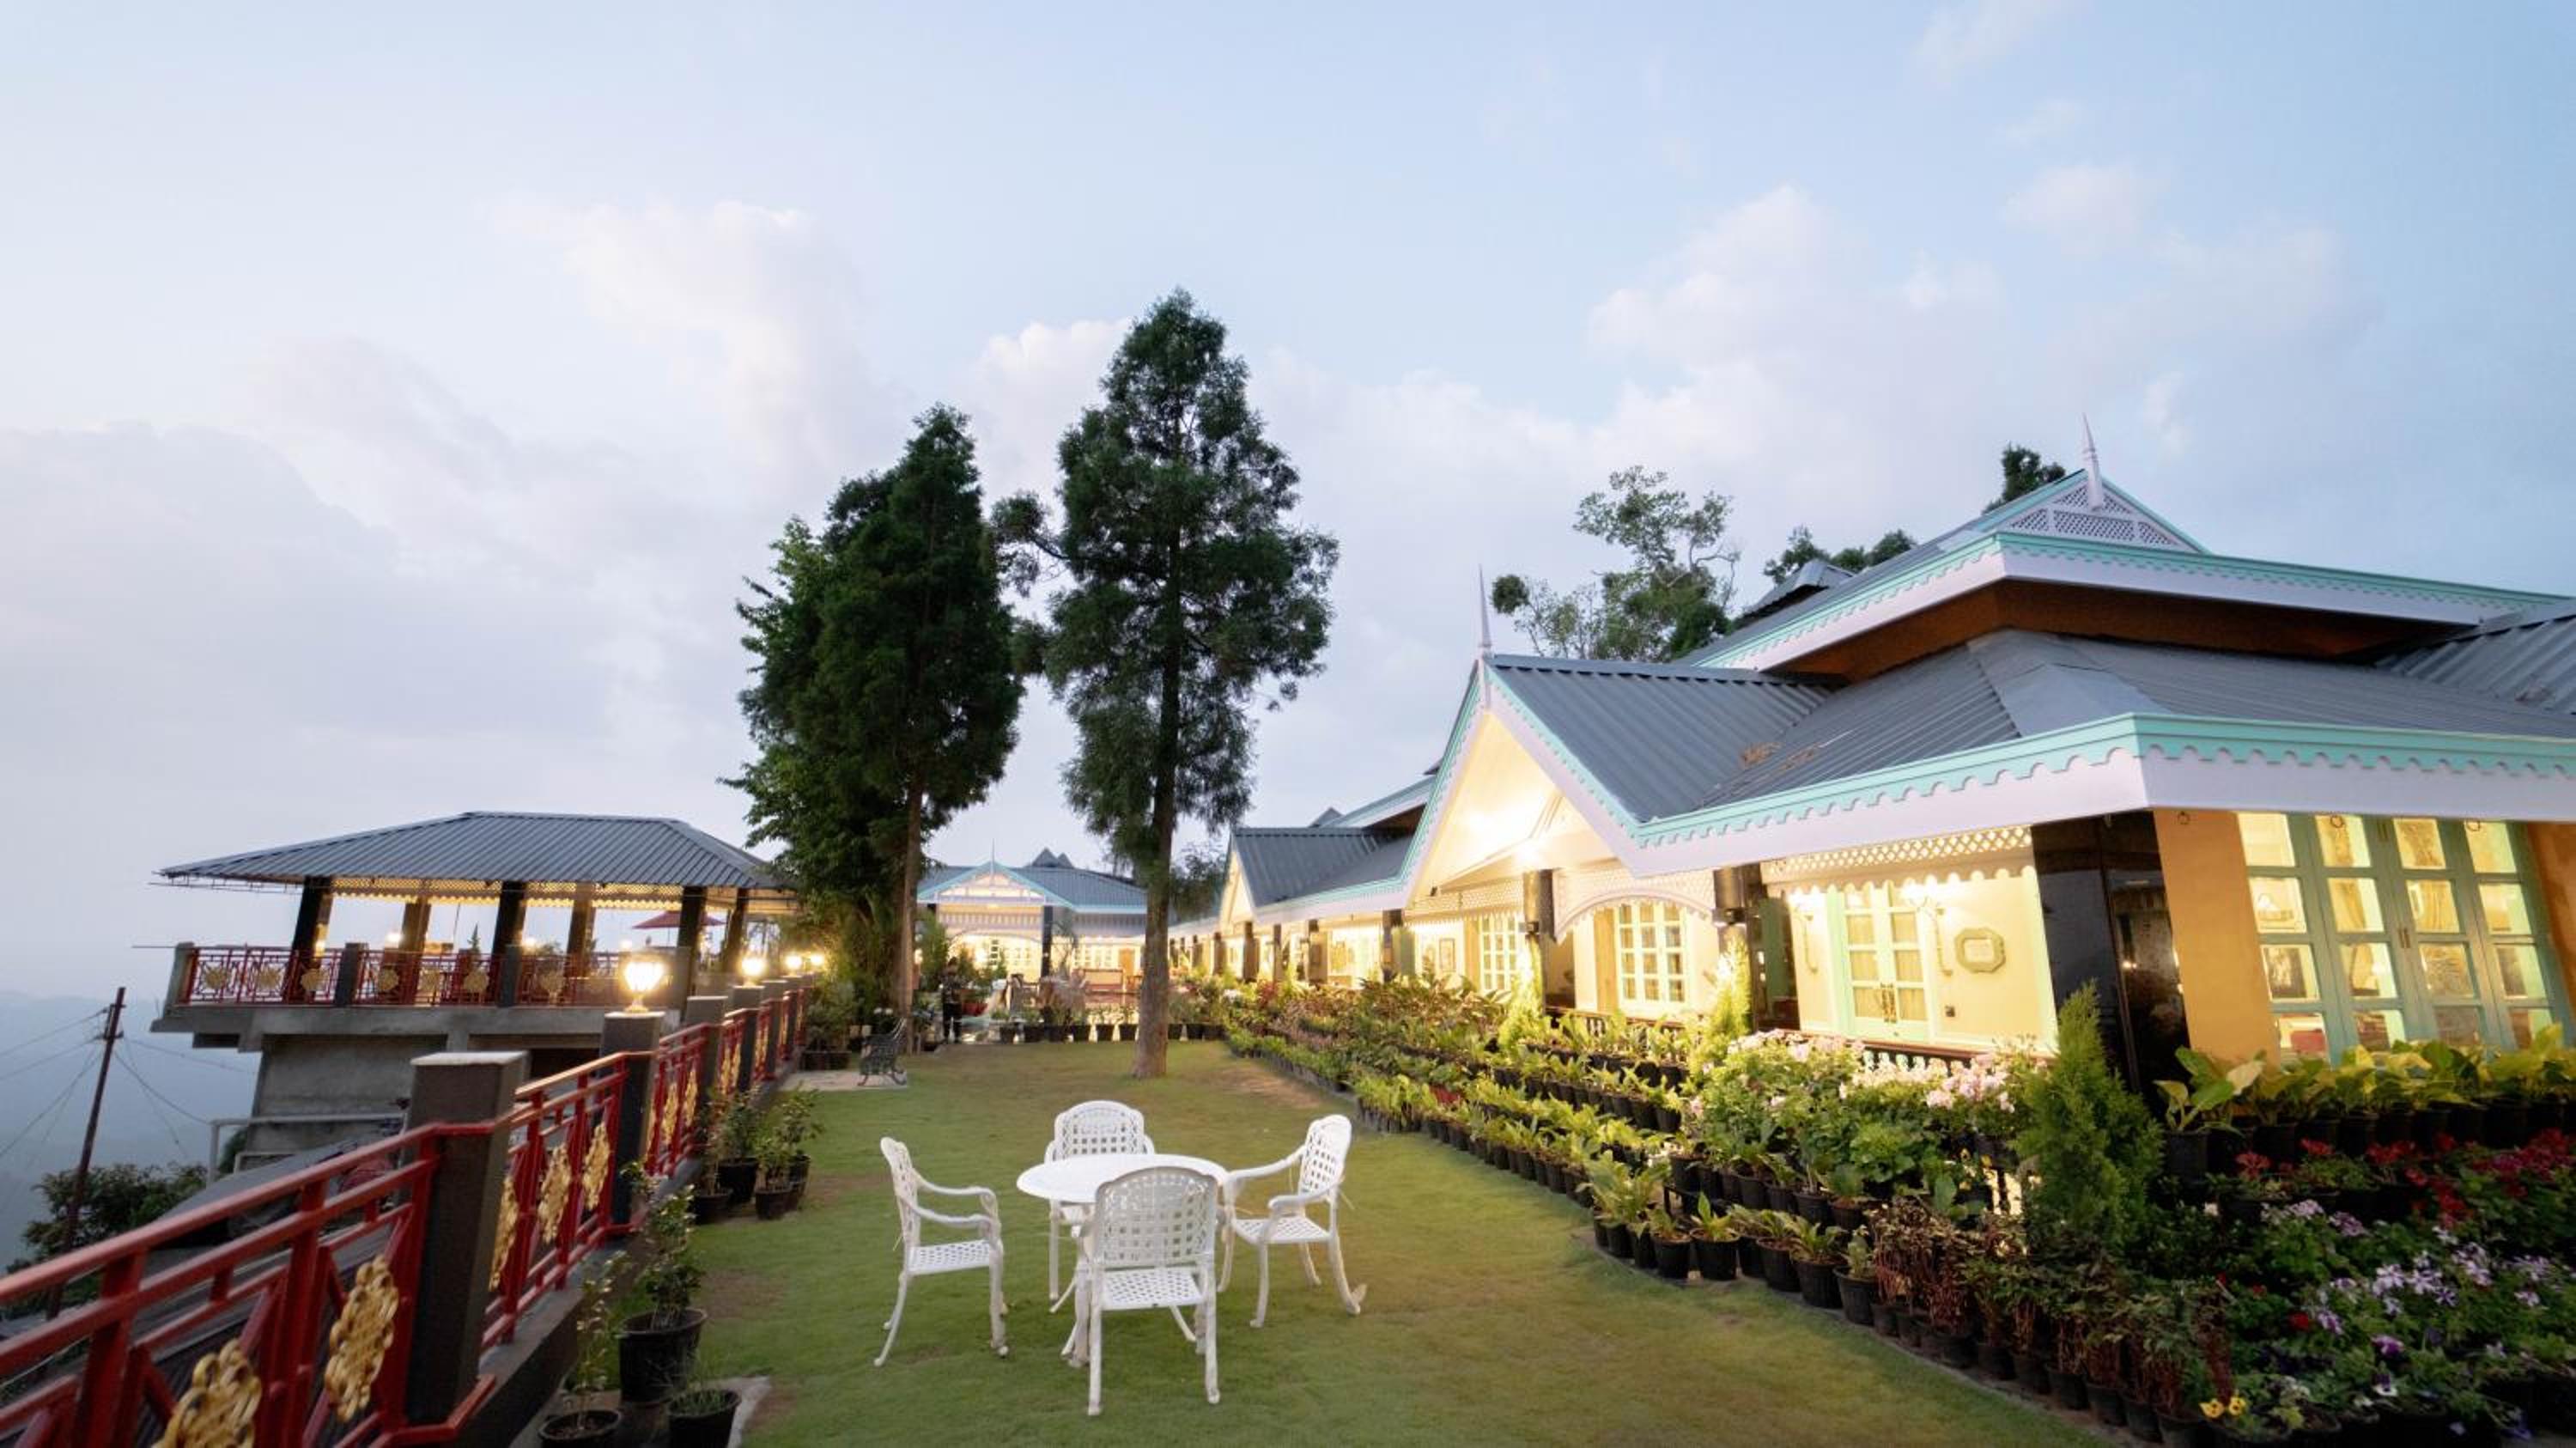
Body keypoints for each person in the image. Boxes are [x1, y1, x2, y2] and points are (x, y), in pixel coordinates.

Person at [939, 976, 965, 1043]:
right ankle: (946, 1037)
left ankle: (957, 1037)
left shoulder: (959, 980)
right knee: (946, 1021)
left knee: (957, 1021)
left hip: (957, 1003)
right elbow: (942, 991)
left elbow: (962, 989)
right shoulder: (945, 980)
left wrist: (961, 1001)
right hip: (947, 1003)